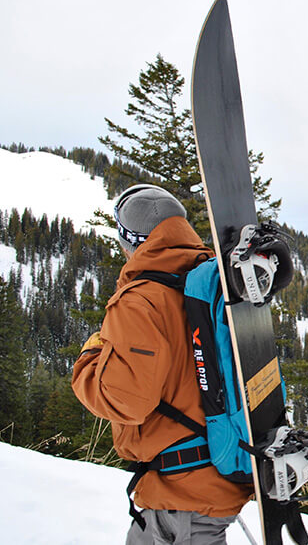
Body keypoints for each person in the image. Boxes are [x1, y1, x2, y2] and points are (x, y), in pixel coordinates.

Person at [72, 184, 252, 544]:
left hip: (181, 496)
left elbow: (125, 400)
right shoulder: (212, 280)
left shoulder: (141, 300)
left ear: (130, 242)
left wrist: (90, 358)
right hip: (208, 476)